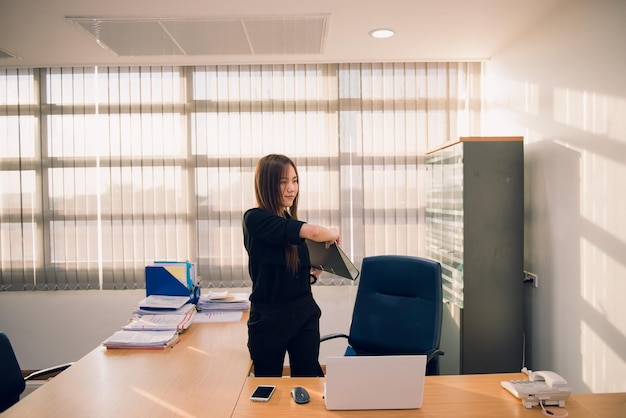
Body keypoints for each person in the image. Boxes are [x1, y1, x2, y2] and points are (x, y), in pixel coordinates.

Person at [242, 154, 340, 377]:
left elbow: (292, 274)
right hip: (268, 319)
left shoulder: (288, 221)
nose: (291, 188)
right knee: (269, 386)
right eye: (283, 182)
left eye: (295, 181)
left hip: (303, 313)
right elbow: (314, 232)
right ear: (266, 184)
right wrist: (333, 232)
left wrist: (314, 275)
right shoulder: (255, 219)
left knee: (307, 384)